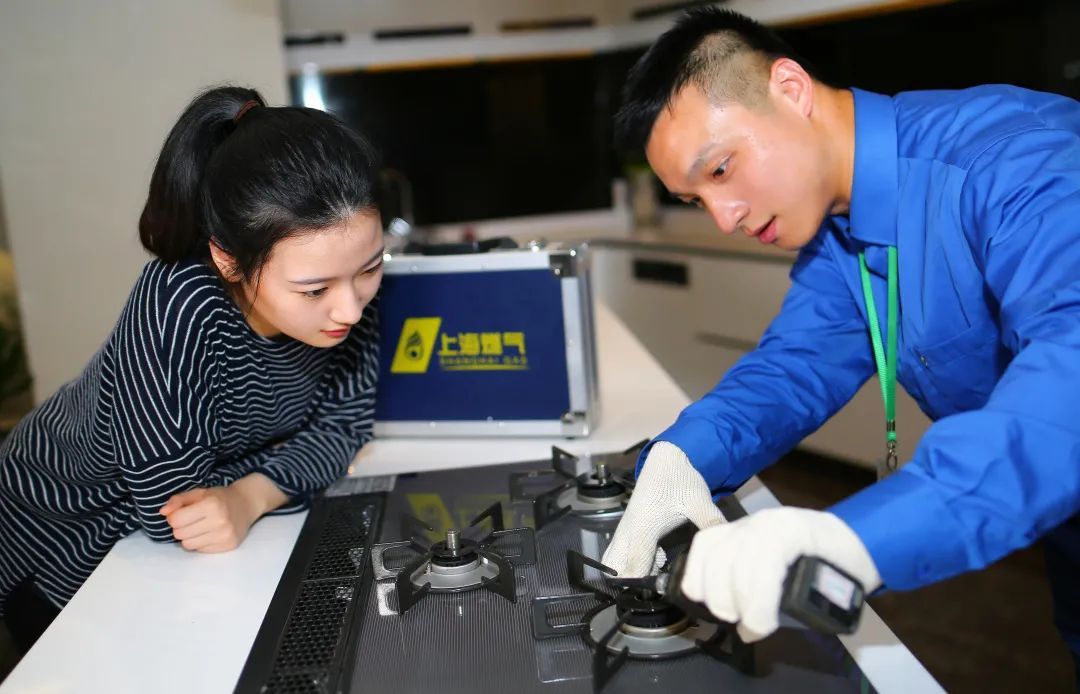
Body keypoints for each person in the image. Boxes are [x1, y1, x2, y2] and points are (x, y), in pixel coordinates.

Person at [599, 7, 1080, 682]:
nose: (725, 218)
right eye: (696, 200)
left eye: (722, 170)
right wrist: (683, 455)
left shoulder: (1017, 162)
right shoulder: (837, 226)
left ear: (791, 89)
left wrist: (853, 539)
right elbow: (794, 365)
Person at [0, 86, 384, 652]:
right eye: (313, 290)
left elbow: (345, 428)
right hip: (61, 529)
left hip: (156, 543)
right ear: (227, 259)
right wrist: (288, 465)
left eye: (371, 268)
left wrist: (250, 496)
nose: (350, 309)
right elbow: (177, 510)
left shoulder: (345, 287)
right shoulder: (177, 303)